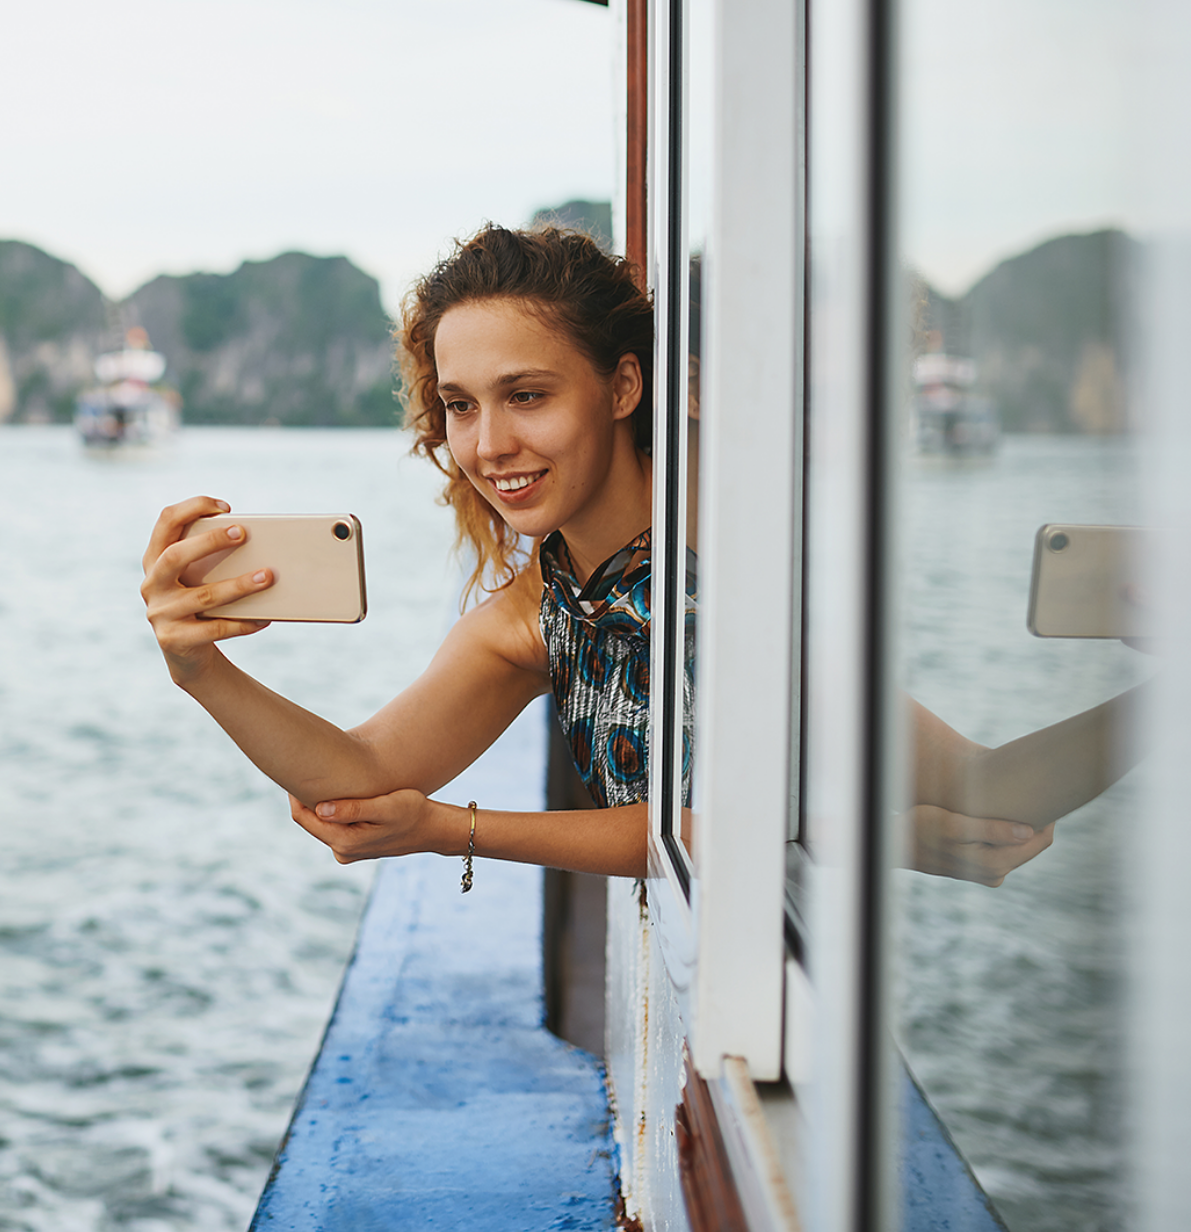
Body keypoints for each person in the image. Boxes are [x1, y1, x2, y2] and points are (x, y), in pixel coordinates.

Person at [139, 225, 1130, 886]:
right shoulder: (547, 608)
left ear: (620, 388)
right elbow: (352, 777)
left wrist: (455, 829)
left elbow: (729, 828)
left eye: (527, 395)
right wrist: (199, 669)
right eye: (460, 405)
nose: (487, 446)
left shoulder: (728, 566)